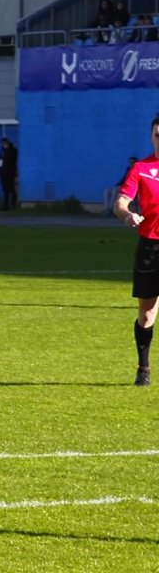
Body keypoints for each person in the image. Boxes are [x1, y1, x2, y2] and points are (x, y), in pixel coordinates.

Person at [114, 116, 159, 387]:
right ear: (152, 137)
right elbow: (121, 202)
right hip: (150, 246)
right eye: (158, 134)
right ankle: (143, 368)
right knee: (147, 312)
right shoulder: (141, 169)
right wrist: (127, 214)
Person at [0, 138, 18, 210]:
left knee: (11, 188)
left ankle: (13, 204)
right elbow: (0, 162)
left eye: (4, 143)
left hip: (10, 172)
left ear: (7, 142)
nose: (3, 144)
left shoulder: (13, 150)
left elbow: (11, 160)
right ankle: (6, 205)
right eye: (2, 143)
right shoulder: (2, 151)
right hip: (3, 172)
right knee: (5, 189)